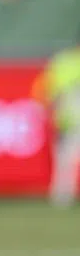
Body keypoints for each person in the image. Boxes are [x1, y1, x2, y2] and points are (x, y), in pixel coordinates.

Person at [38, 41, 80, 207]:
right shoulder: (63, 62)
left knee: (64, 160)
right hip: (68, 121)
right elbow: (48, 90)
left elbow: (49, 91)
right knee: (64, 160)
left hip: (67, 120)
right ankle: (62, 197)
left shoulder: (62, 62)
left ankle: (62, 197)